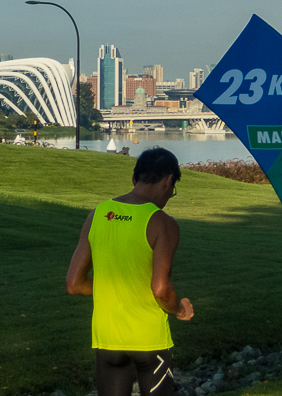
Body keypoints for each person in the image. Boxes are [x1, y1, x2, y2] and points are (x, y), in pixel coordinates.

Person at [66, 147, 194, 396]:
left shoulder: (98, 214)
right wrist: (179, 308)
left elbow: (74, 284)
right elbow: (160, 288)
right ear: (168, 181)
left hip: (108, 339)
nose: (169, 197)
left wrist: (114, 288)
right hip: (149, 341)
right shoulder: (162, 222)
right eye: (172, 190)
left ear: (134, 179)